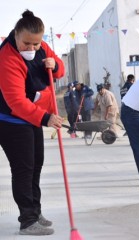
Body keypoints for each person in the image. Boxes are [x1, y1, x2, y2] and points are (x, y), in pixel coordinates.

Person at [0, 10, 64, 235]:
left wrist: (54, 66)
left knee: (36, 165)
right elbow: (16, 101)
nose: (31, 48)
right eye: (26, 43)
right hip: (11, 121)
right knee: (23, 169)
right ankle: (27, 220)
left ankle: (35, 212)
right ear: (16, 35)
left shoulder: (42, 47)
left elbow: (59, 69)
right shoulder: (7, 58)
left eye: (36, 44)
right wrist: (46, 118)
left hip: (32, 117)